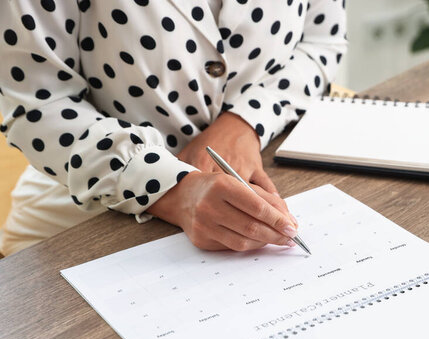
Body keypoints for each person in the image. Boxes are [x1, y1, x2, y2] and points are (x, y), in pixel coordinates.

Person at [0, 0, 347, 255]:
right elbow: (37, 103)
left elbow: (322, 41)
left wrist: (246, 122)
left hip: (260, 165)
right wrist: (171, 189)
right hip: (87, 209)